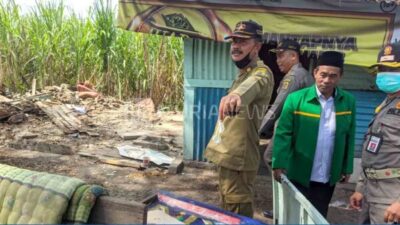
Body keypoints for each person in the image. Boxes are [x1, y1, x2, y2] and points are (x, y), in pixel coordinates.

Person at [271, 51, 356, 217]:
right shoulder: (296, 99)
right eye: (323, 74)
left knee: (318, 215)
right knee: (294, 215)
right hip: (299, 171)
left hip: (328, 173)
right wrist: (278, 162)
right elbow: (283, 133)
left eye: (333, 76)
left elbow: (349, 135)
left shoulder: (348, 101)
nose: (326, 80)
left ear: (340, 76)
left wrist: (347, 167)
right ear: (315, 72)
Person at [204, 20, 274, 218]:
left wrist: (236, 96)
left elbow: (251, 87)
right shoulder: (242, 74)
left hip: (239, 160)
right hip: (228, 156)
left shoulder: (262, 73)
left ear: (257, 46)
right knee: (226, 207)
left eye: (242, 41)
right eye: (234, 41)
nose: (235, 46)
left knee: (237, 213)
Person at [349, 42, 400, 224]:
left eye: (392, 69)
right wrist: (360, 188)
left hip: (392, 195)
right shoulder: (386, 104)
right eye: (382, 68)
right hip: (372, 192)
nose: (385, 74)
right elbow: (372, 149)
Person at [259, 39, 314, 167]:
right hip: (301, 129)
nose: (277, 60)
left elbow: (278, 106)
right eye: (277, 56)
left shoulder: (294, 77)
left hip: (291, 129)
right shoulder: (302, 74)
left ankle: (285, 187)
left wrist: (258, 130)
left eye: (281, 56)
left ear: (294, 56)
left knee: (272, 158)